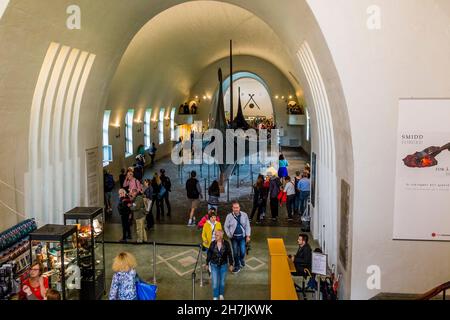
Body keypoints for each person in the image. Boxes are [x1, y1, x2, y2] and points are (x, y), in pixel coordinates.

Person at [224, 201, 251, 273]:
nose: (236, 209)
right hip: (234, 238)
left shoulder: (244, 215)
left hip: (242, 237)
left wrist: (248, 235)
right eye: (234, 208)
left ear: (239, 208)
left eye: (237, 207)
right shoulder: (229, 216)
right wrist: (229, 234)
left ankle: (241, 259)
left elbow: (247, 225)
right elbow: (226, 226)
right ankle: (237, 265)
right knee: (235, 252)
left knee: (242, 251)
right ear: (232, 208)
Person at [206, 230, 234, 300]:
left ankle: (221, 294)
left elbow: (230, 254)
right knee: (215, 282)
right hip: (214, 265)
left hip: (223, 265)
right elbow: (209, 254)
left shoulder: (226, 244)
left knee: (222, 282)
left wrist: (231, 264)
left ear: (221, 236)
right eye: (215, 235)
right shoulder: (212, 244)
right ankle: (215, 296)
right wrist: (207, 263)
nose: (215, 236)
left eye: (217, 235)